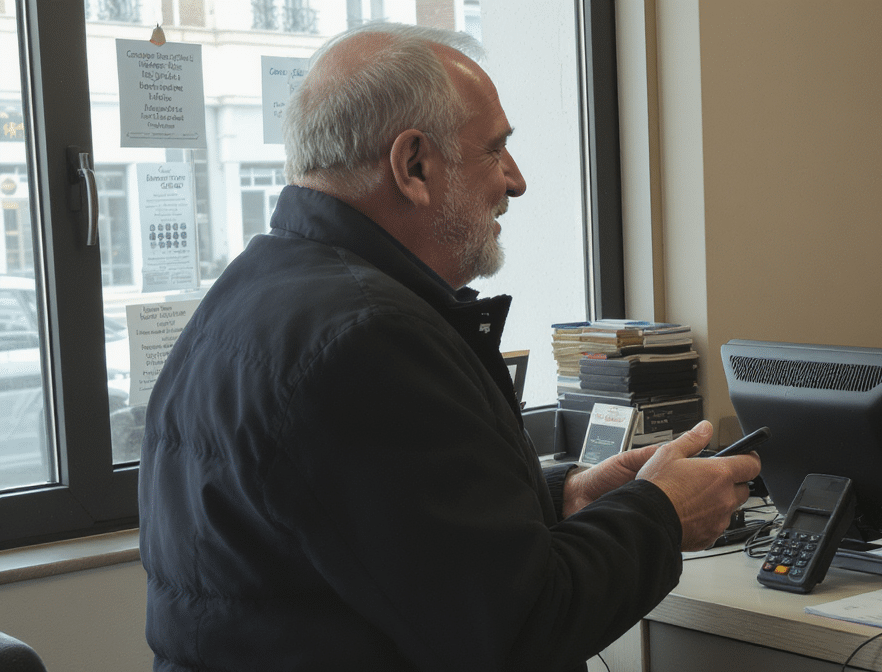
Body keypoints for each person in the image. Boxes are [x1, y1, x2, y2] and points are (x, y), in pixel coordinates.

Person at [138, 23, 760, 672]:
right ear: (413, 165)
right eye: (495, 152)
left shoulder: (253, 292)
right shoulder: (370, 340)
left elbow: (387, 528)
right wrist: (661, 513)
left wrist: (561, 499)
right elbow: (520, 627)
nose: (515, 183)